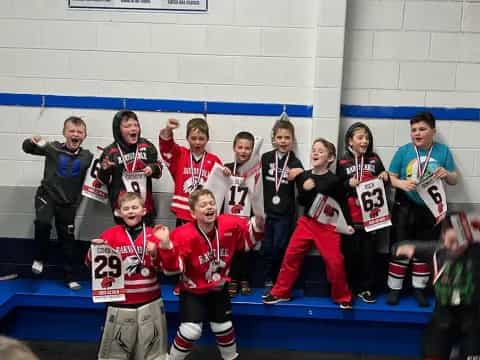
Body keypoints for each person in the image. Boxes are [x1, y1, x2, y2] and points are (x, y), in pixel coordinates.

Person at [168, 189, 263, 360]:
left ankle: (231, 358)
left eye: (211, 203)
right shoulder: (183, 234)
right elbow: (172, 268)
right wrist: (165, 246)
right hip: (193, 290)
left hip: (219, 288)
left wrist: (260, 220)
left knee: (223, 327)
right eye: (203, 205)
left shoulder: (230, 224)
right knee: (190, 331)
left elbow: (248, 242)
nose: (209, 207)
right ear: (192, 213)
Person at [86, 192, 180, 360]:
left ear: (144, 211)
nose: (131, 211)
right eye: (126, 208)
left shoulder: (155, 234)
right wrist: (94, 251)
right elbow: (90, 264)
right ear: (118, 212)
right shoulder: (109, 235)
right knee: (115, 355)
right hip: (120, 303)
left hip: (150, 301)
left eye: (135, 207)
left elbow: (169, 269)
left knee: (153, 355)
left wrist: (162, 248)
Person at [263, 138, 354, 309]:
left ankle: (342, 296)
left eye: (321, 151)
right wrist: (305, 188)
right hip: (307, 223)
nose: (316, 153)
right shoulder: (305, 176)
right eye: (314, 150)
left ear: (331, 158)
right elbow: (302, 201)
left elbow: (342, 203)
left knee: (335, 262)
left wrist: (347, 223)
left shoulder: (334, 180)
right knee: (290, 255)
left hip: (328, 226)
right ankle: (280, 292)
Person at [386, 112, 458, 306]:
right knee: (401, 248)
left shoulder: (442, 151)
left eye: (422, 129)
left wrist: (447, 174)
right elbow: (389, 176)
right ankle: (394, 289)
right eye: (414, 130)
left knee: (423, 250)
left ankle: (419, 289)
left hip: (430, 209)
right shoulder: (404, 151)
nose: (417, 133)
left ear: (433, 131)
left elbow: (454, 179)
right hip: (404, 206)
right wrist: (400, 184)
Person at [395, 217, 480, 360]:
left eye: (459, 241)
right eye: (451, 241)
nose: (455, 247)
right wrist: (409, 248)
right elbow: (398, 247)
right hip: (443, 319)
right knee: (432, 348)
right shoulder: (437, 252)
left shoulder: (476, 253)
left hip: (472, 320)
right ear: (443, 237)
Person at [23, 116, 93, 290]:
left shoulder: (87, 156)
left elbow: (100, 173)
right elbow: (27, 148)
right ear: (64, 133)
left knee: (68, 240)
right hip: (47, 196)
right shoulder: (52, 148)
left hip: (68, 204)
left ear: (84, 136)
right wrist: (31, 141)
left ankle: (69, 277)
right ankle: (40, 258)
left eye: (79, 132)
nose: (75, 134)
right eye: (71, 131)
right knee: (43, 223)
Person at [337, 122, 389, 304]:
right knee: (350, 255)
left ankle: (366, 288)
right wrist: (347, 184)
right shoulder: (343, 162)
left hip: (372, 217)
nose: (364, 141)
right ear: (350, 141)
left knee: (369, 256)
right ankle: (349, 288)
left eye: (367, 137)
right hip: (351, 218)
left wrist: (385, 177)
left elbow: (384, 178)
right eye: (360, 137)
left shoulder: (374, 159)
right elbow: (336, 187)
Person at [261, 115, 303, 297]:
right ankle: (268, 277)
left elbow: (304, 185)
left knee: (280, 246)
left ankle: (279, 279)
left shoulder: (295, 162)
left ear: (292, 140)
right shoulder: (265, 158)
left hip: (285, 213)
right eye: (279, 137)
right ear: (273, 139)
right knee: (267, 247)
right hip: (266, 211)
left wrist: (301, 173)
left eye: (287, 138)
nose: (283, 141)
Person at [97, 110, 162, 225]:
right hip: (122, 208)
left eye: (136, 125)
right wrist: (105, 170)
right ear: (118, 130)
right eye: (127, 126)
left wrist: (152, 168)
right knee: (124, 239)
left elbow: (159, 171)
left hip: (144, 206)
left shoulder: (147, 146)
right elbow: (101, 181)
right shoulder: (110, 152)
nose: (133, 128)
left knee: (146, 238)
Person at [159, 118, 223, 226]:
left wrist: (225, 173)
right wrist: (168, 129)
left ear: (207, 139)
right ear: (187, 138)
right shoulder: (180, 154)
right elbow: (166, 146)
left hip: (204, 213)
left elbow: (220, 187)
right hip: (183, 212)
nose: (197, 142)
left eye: (201, 138)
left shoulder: (214, 161)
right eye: (193, 138)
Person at [222, 131, 259, 297]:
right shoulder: (227, 168)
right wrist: (222, 174)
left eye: (247, 148)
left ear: (252, 151)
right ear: (234, 148)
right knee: (231, 249)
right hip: (228, 217)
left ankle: (245, 278)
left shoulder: (256, 170)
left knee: (246, 249)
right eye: (240, 147)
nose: (243, 151)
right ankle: (232, 279)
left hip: (248, 216)